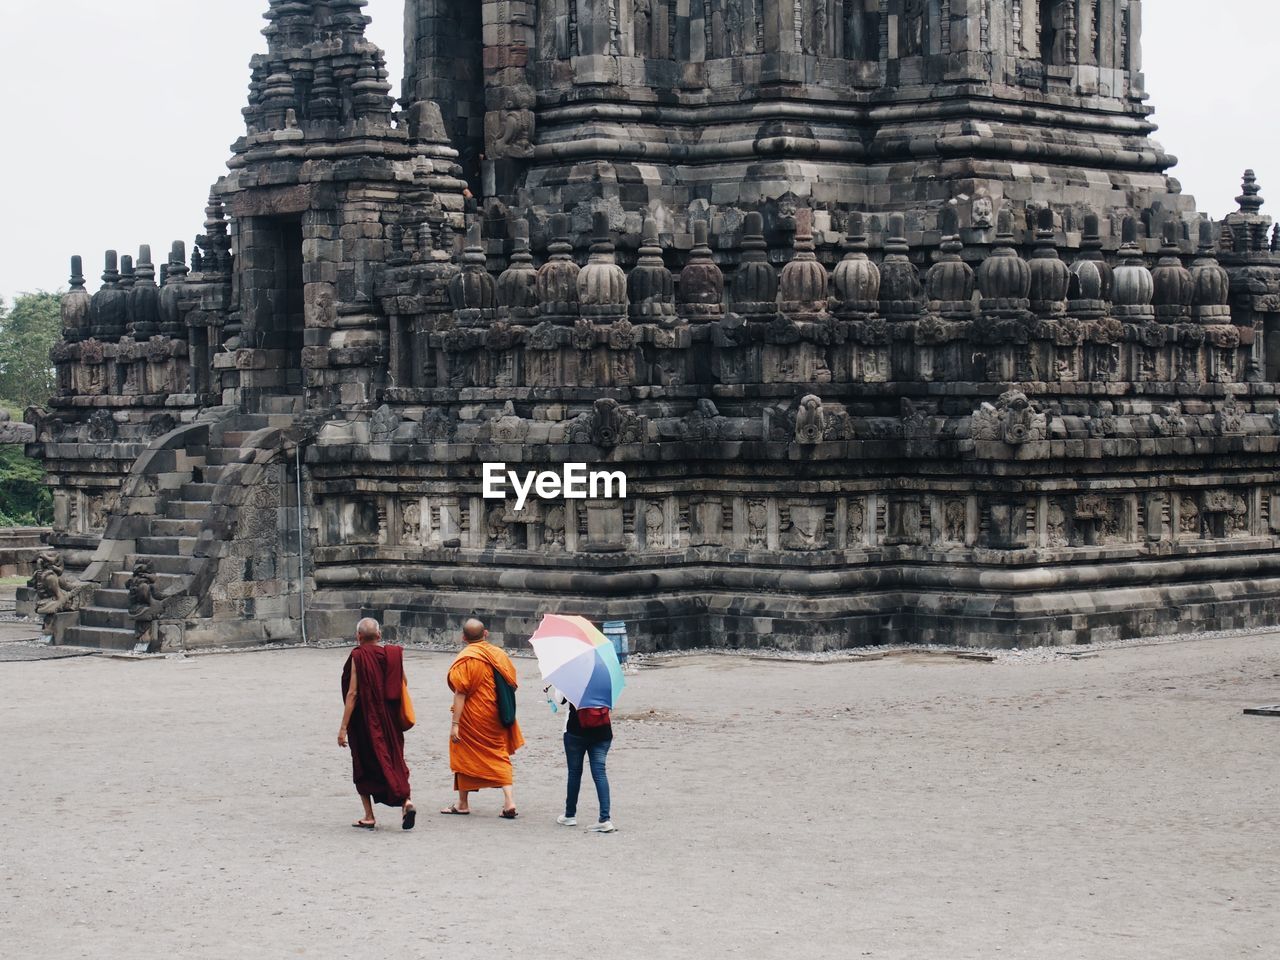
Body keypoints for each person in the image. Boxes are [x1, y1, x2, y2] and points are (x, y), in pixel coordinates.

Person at [440, 618, 526, 818]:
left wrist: (455, 724)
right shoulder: (499, 655)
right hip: (494, 712)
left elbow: (460, 693)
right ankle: (509, 801)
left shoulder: (466, 658)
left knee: (462, 751)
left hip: (472, 716)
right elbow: (512, 682)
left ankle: (462, 803)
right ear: (485, 633)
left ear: (463, 637)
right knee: (498, 753)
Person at [337, 617, 416, 830]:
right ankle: (405, 801)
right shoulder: (391, 655)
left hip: (365, 721)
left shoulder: (358, 655)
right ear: (379, 636)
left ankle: (369, 815)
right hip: (389, 720)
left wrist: (343, 727)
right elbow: (403, 683)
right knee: (393, 758)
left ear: (358, 636)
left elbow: (353, 693)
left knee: (363, 764)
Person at [555, 693, 616, 833]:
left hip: (575, 732)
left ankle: (570, 815)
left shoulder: (571, 678)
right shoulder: (605, 678)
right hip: (602, 732)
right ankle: (605, 819)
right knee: (600, 773)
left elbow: (560, 700)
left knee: (574, 773)